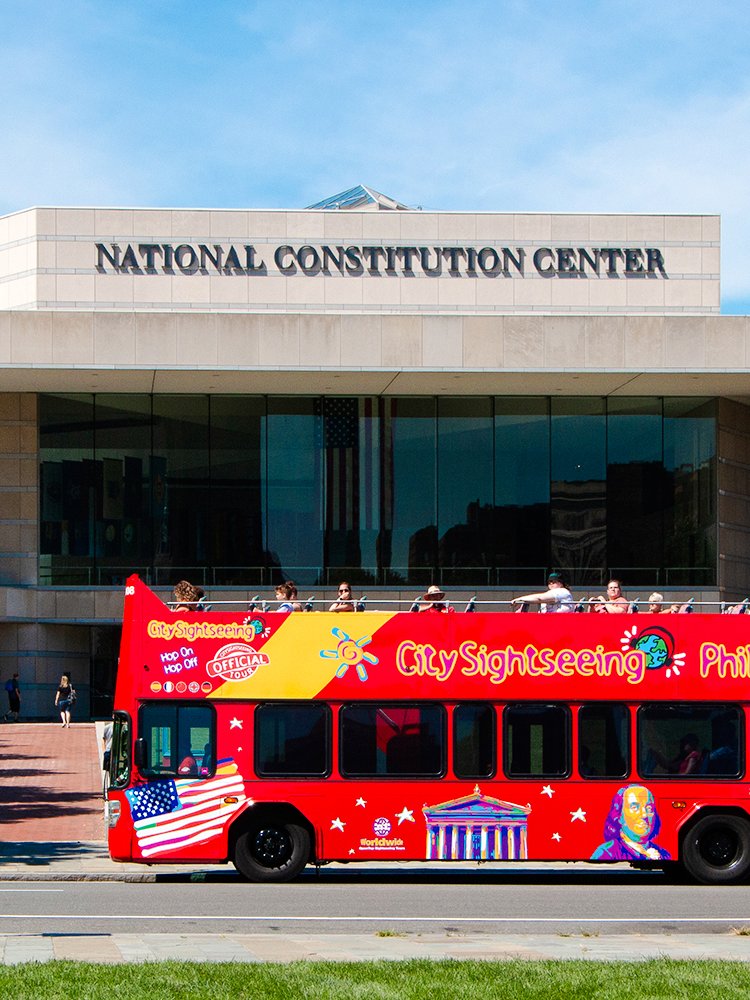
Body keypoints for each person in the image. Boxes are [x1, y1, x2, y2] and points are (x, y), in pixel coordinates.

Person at [591, 784, 670, 861]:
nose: (644, 815)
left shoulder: (664, 854)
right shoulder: (606, 853)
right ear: (619, 817)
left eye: (649, 808)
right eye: (634, 807)